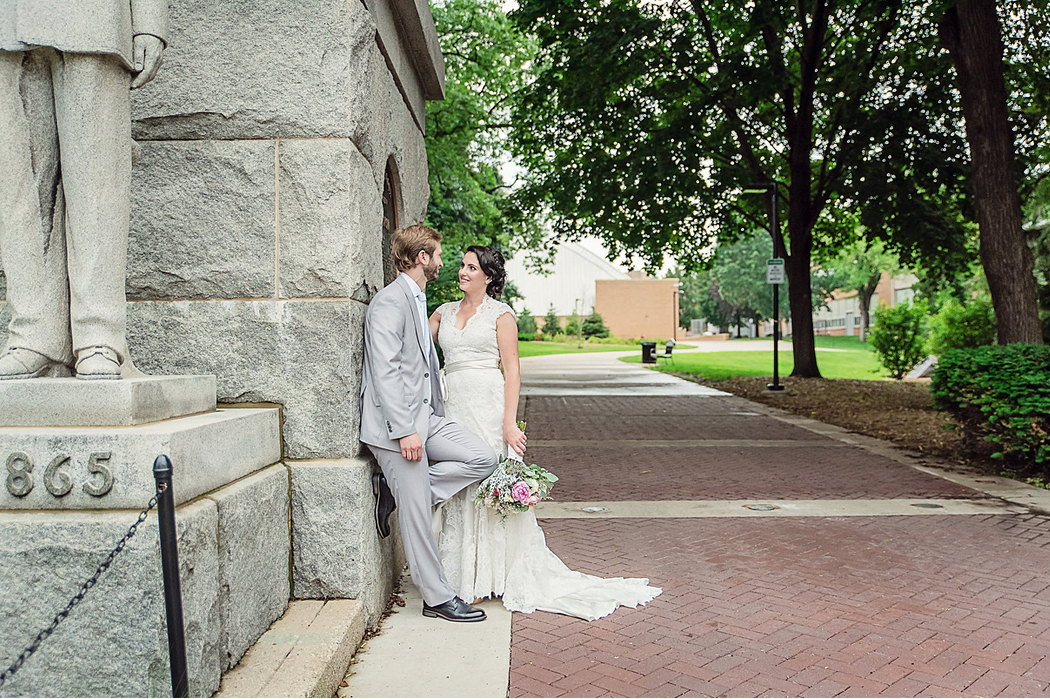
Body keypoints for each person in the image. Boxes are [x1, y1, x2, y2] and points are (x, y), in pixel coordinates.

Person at [430, 245, 661, 621]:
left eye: (471, 267)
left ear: (488, 277)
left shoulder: (501, 315)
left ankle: (495, 574)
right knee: (460, 482)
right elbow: (415, 347)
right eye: (462, 265)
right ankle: (461, 576)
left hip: (487, 406)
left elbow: (513, 370)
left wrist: (509, 423)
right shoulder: (442, 312)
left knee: (488, 482)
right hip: (452, 405)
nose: (463, 271)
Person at [0, 0, 169, 380]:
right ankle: (33, 333)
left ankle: (99, 335)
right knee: (18, 186)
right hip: (7, 22)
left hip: (93, 17)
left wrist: (149, 20)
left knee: (97, 181)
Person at [359, 224, 500, 623]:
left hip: (427, 419)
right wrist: (405, 431)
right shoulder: (390, 302)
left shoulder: (417, 299)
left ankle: (402, 492)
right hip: (396, 428)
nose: (442, 262)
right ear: (422, 258)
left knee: (482, 458)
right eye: (437, 255)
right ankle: (438, 598)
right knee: (418, 511)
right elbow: (384, 372)